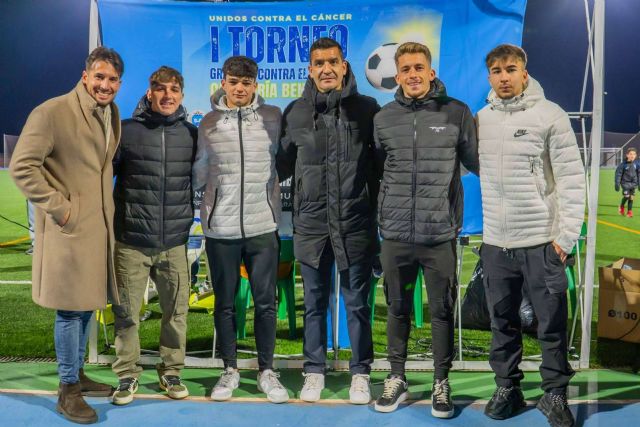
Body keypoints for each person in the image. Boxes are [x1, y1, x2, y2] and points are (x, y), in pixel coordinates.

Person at [9, 47, 124, 424]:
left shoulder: (110, 113)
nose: (105, 85)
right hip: (70, 228)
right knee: (70, 310)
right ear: (85, 75)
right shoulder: (53, 111)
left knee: (87, 302)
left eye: (112, 79)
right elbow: (22, 167)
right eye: (100, 77)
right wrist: (62, 209)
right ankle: (67, 388)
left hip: (97, 227)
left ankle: (77, 374)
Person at [477, 44, 585, 427]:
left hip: (542, 242)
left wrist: (565, 239)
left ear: (524, 72)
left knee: (550, 323)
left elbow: (572, 179)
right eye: (496, 70)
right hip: (496, 244)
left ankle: (555, 393)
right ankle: (508, 386)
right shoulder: (482, 119)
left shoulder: (549, 115)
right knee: (501, 322)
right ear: (489, 76)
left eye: (510, 69)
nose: (503, 76)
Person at [372, 42, 479, 417]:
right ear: (396, 76)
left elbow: (480, 163)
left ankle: (440, 381)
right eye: (406, 69)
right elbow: (377, 173)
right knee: (397, 310)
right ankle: (396, 377)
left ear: (431, 72)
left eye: (420, 67)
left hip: (439, 235)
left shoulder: (457, 113)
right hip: (396, 234)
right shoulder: (384, 118)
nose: (413, 74)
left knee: (441, 311)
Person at [276, 37, 380, 405]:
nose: (326, 69)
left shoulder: (367, 109)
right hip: (311, 224)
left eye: (332, 62)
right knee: (314, 302)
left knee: (357, 303)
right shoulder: (296, 112)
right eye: (319, 63)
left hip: (355, 224)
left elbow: (380, 168)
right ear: (309, 69)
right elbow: (280, 167)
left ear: (344, 65)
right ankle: (314, 371)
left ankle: (361, 372)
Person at [193, 56, 289, 403]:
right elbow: (199, 172)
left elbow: (284, 160)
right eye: (234, 82)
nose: (240, 89)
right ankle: (229, 369)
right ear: (224, 82)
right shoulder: (208, 122)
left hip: (263, 225)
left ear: (255, 85)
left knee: (266, 302)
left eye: (246, 83)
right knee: (225, 303)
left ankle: (267, 370)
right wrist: (205, 213)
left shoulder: (273, 118)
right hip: (221, 228)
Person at [110, 66, 197, 405]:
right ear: (149, 92)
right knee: (127, 313)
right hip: (131, 241)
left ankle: (171, 370)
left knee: (176, 313)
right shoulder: (126, 131)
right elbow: (102, 176)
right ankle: (127, 375)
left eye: (173, 89)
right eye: (159, 88)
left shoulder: (191, 134)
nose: (167, 95)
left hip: (174, 241)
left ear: (181, 95)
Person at [615, 147, 639, 218]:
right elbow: (618, 174)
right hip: (625, 184)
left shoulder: (636, 164)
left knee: (631, 198)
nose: (632, 156)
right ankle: (621, 206)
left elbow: (638, 174)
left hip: (633, 184)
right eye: (630, 154)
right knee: (627, 196)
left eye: (634, 154)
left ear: (636, 155)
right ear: (627, 155)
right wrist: (617, 184)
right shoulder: (623, 165)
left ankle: (629, 212)